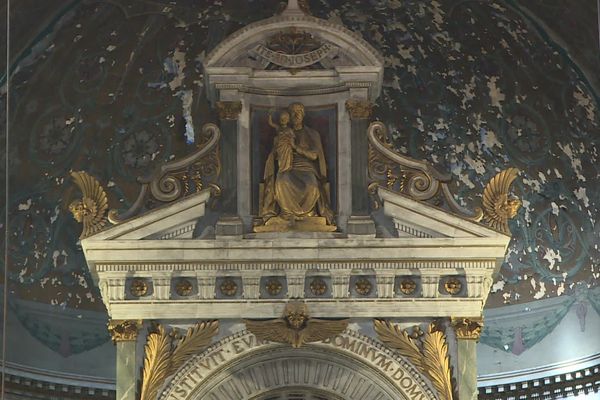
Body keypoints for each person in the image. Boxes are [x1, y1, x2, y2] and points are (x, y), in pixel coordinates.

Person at [259, 102, 334, 228]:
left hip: (307, 168)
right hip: (287, 167)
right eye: (293, 112)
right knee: (281, 182)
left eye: (299, 111)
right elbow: (275, 154)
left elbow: (315, 155)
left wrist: (296, 148)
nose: (296, 114)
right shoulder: (283, 133)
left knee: (312, 186)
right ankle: (287, 214)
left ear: (303, 114)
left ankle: (308, 214)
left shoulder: (312, 134)